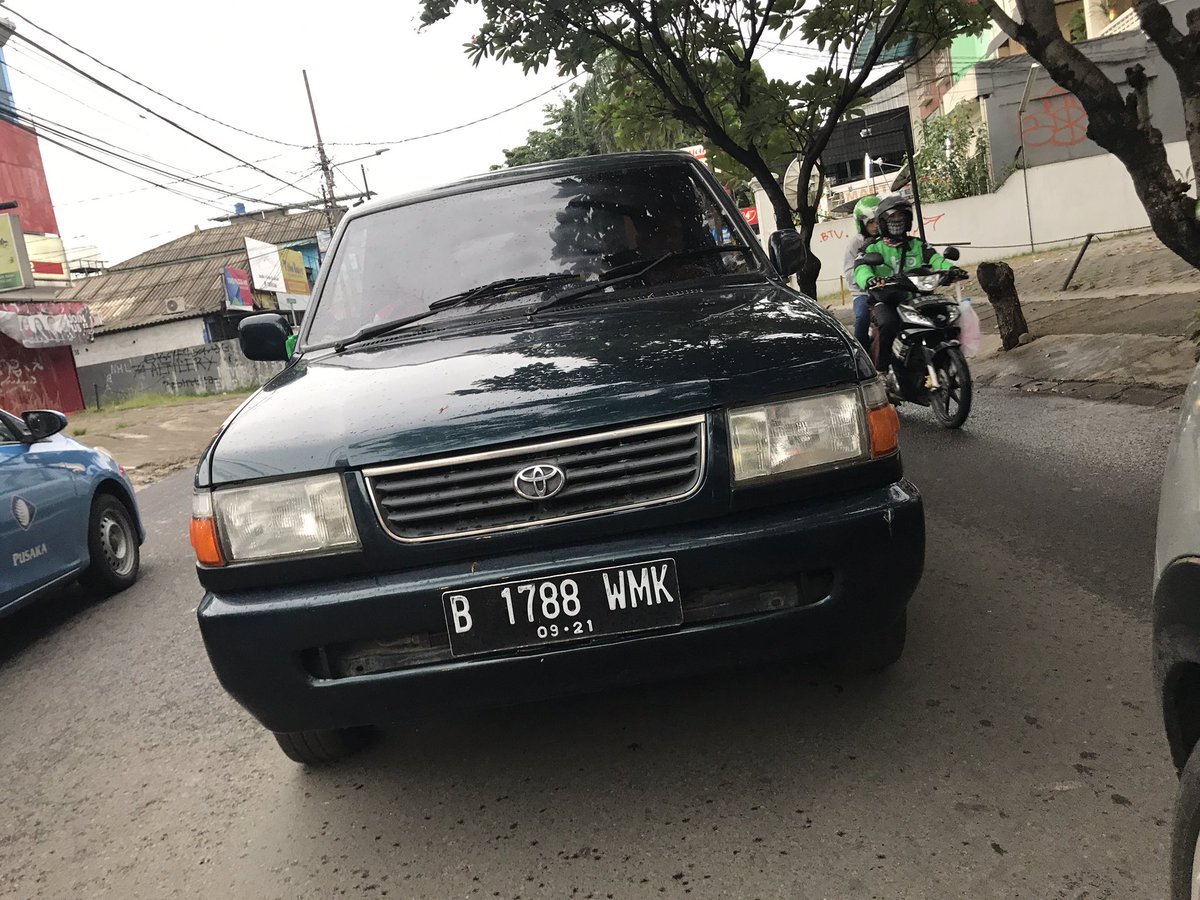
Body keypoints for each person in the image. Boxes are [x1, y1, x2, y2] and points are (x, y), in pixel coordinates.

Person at [853, 194, 966, 375]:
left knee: (947, 317)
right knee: (888, 324)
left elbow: (936, 259)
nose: (897, 221)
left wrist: (952, 270)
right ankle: (881, 370)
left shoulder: (918, 245)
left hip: (918, 297)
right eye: (892, 218)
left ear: (908, 220)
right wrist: (870, 280)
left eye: (901, 217)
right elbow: (860, 268)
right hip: (887, 300)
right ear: (882, 222)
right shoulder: (872, 247)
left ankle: (945, 359)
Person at [843, 196, 880, 350]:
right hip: (863, 293)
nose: (875, 226)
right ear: (861, 223)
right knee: (862, 317)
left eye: (877, 221)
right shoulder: (855, 244)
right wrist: (867, 279)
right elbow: (849, 273)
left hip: (887, 288)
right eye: (871, 222)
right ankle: (863, 355)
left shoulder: (887, 239)